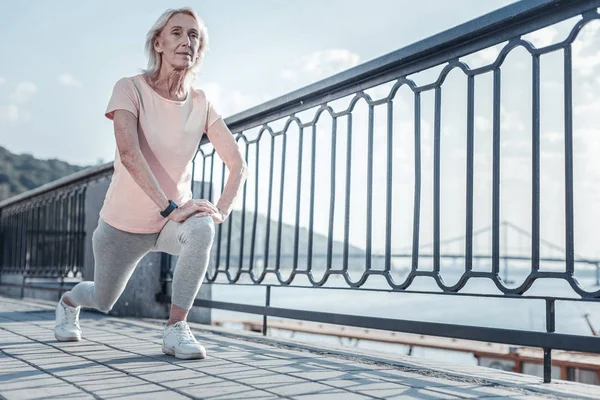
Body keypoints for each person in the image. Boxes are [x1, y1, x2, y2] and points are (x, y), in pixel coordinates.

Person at [53, 7, 248, 360]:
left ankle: (175, 329)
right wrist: (170, 208)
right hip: (122, 225)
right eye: (177, 32)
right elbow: (129, 154)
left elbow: (237, 164)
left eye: (194, 36)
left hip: (172, 222)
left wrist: (220, 211)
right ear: (158, 42)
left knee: (202, 227)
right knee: (103, 298)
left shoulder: (202, 103)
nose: (187, 41)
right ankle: (68, 302)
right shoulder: (129, 88)